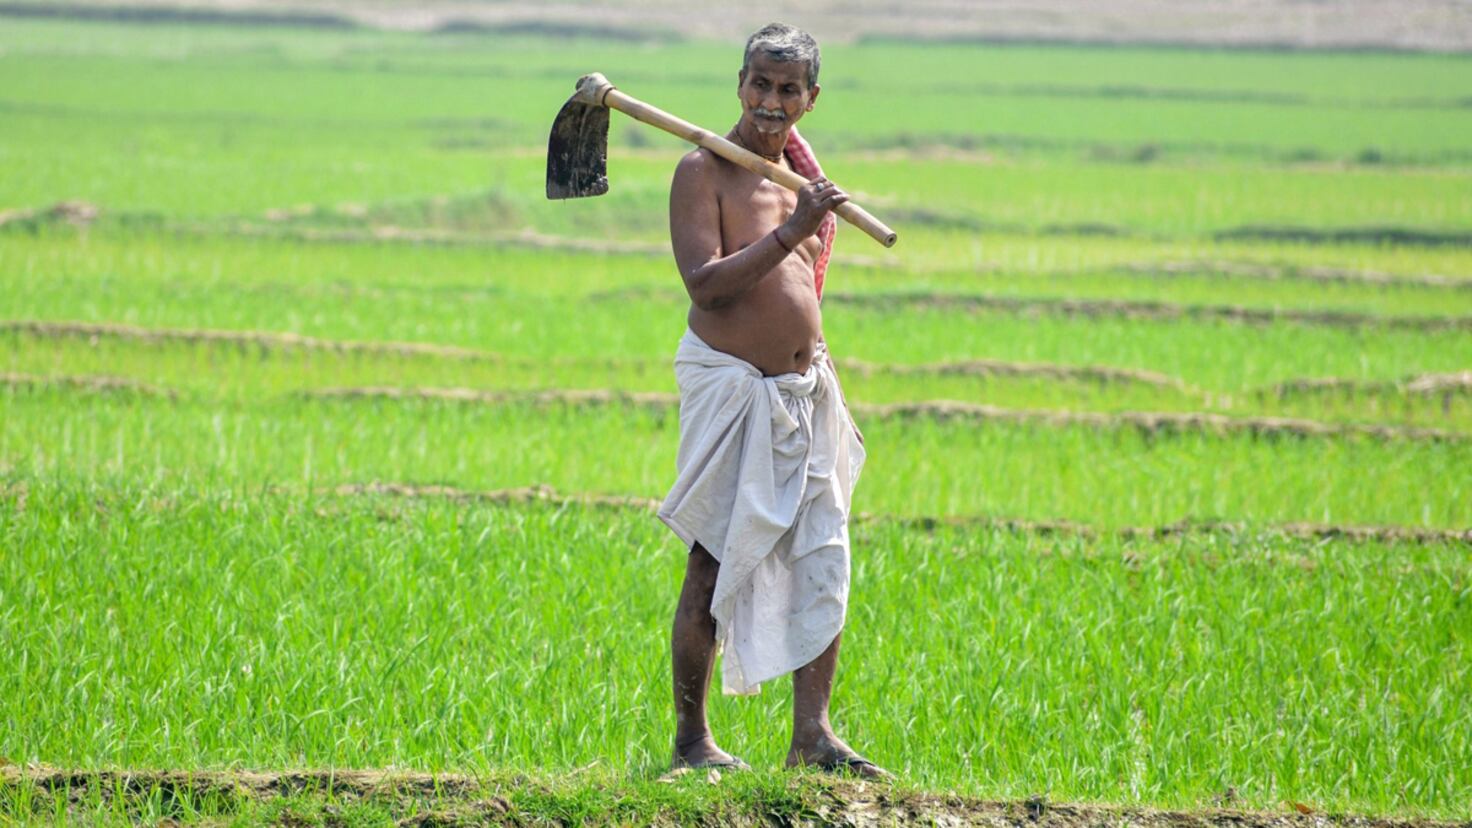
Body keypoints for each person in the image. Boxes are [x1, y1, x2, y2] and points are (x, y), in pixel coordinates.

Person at [657, 22, 889, 779]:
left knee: (824, 553)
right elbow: (706, 285)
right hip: (732, 390)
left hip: (803, 391)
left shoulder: (801, 180)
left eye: (788, 89)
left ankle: (812, 736)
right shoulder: (703, 172)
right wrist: (793, 229)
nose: (770, 100)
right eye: (760, 83)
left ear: (810, 99)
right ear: (739, 84)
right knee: (712, 559)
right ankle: (693, 742)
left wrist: (804, 218)